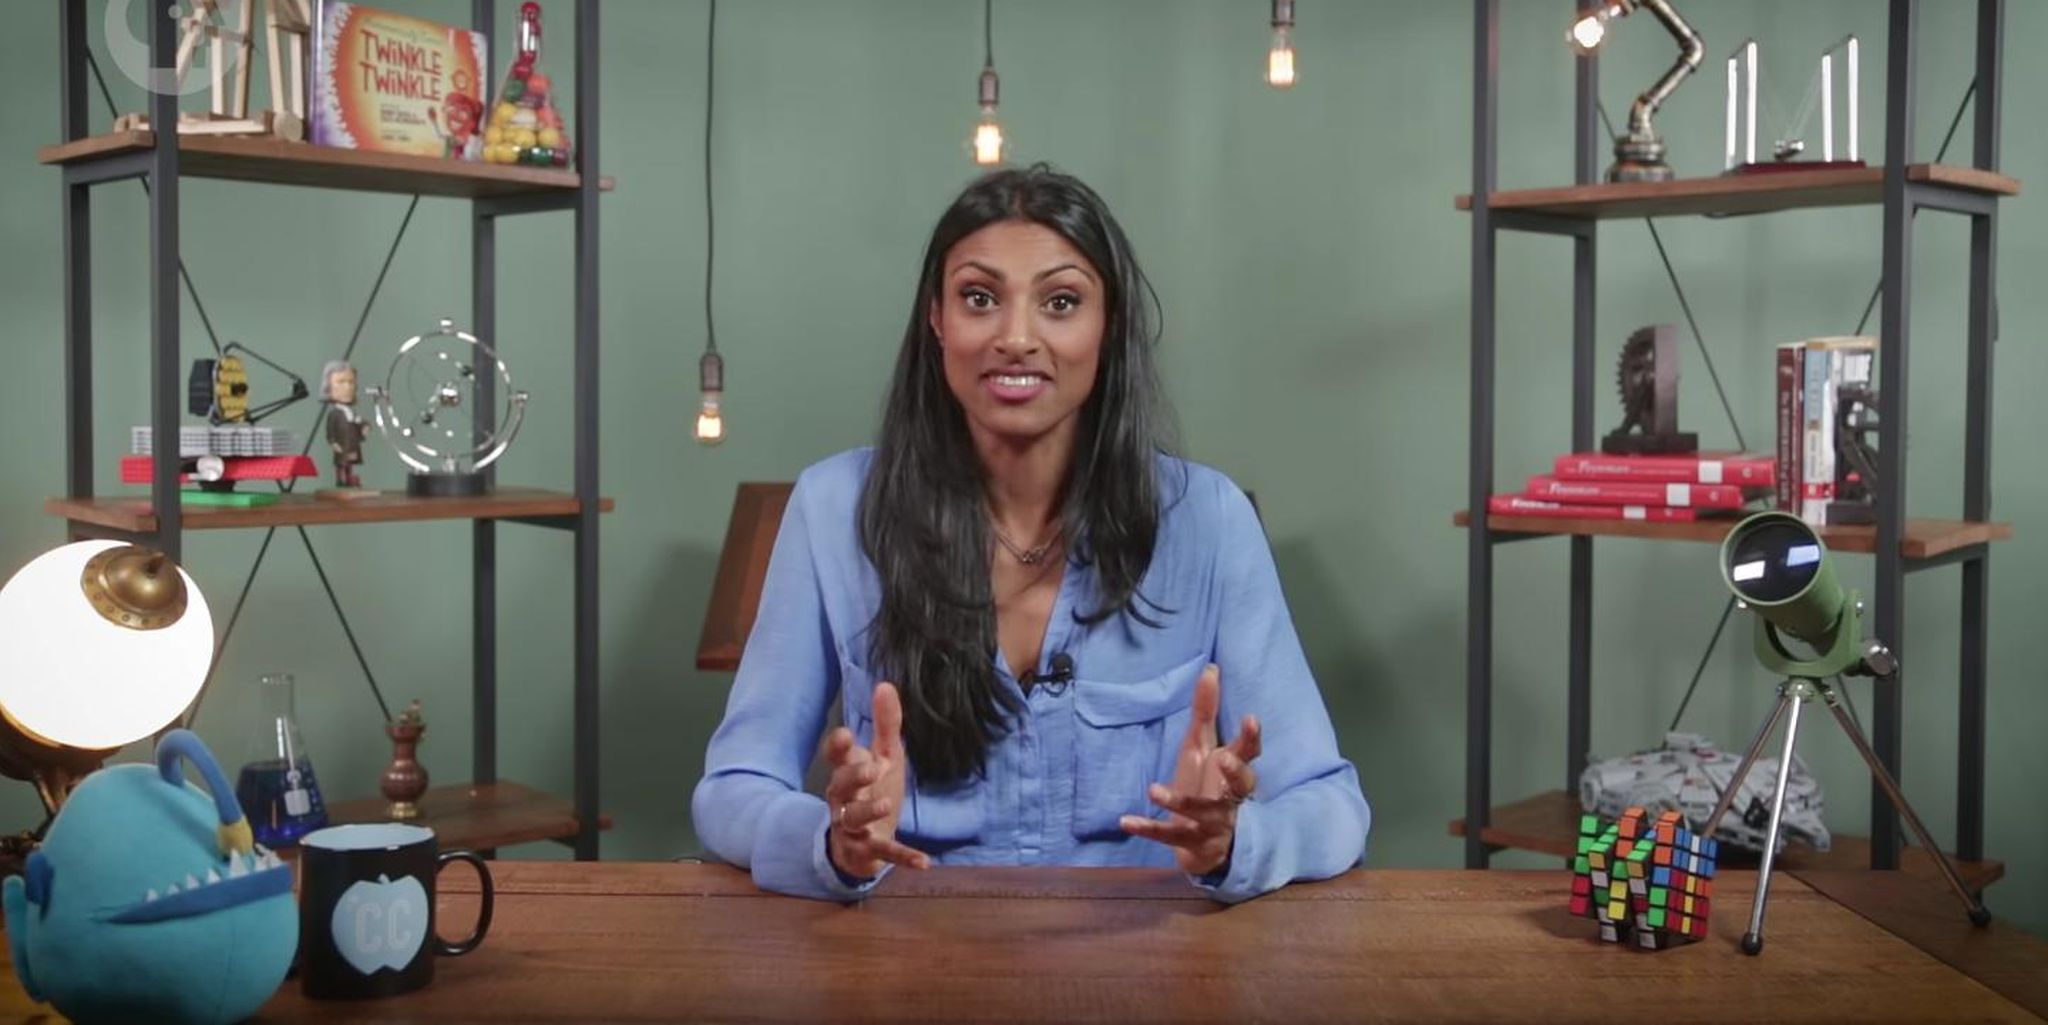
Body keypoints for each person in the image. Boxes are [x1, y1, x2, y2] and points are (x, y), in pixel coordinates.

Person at [691, 164, 1369, 904]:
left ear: (1109, 326)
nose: (1016, 338)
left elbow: (1332, 807)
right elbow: (732, 789)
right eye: (979, 298)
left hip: (1142, 958)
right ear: (937, 319)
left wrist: (1233, 842)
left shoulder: (1208, 518)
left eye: (1061, 302)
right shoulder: (832, 508)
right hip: (903, 954)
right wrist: (831, 841)